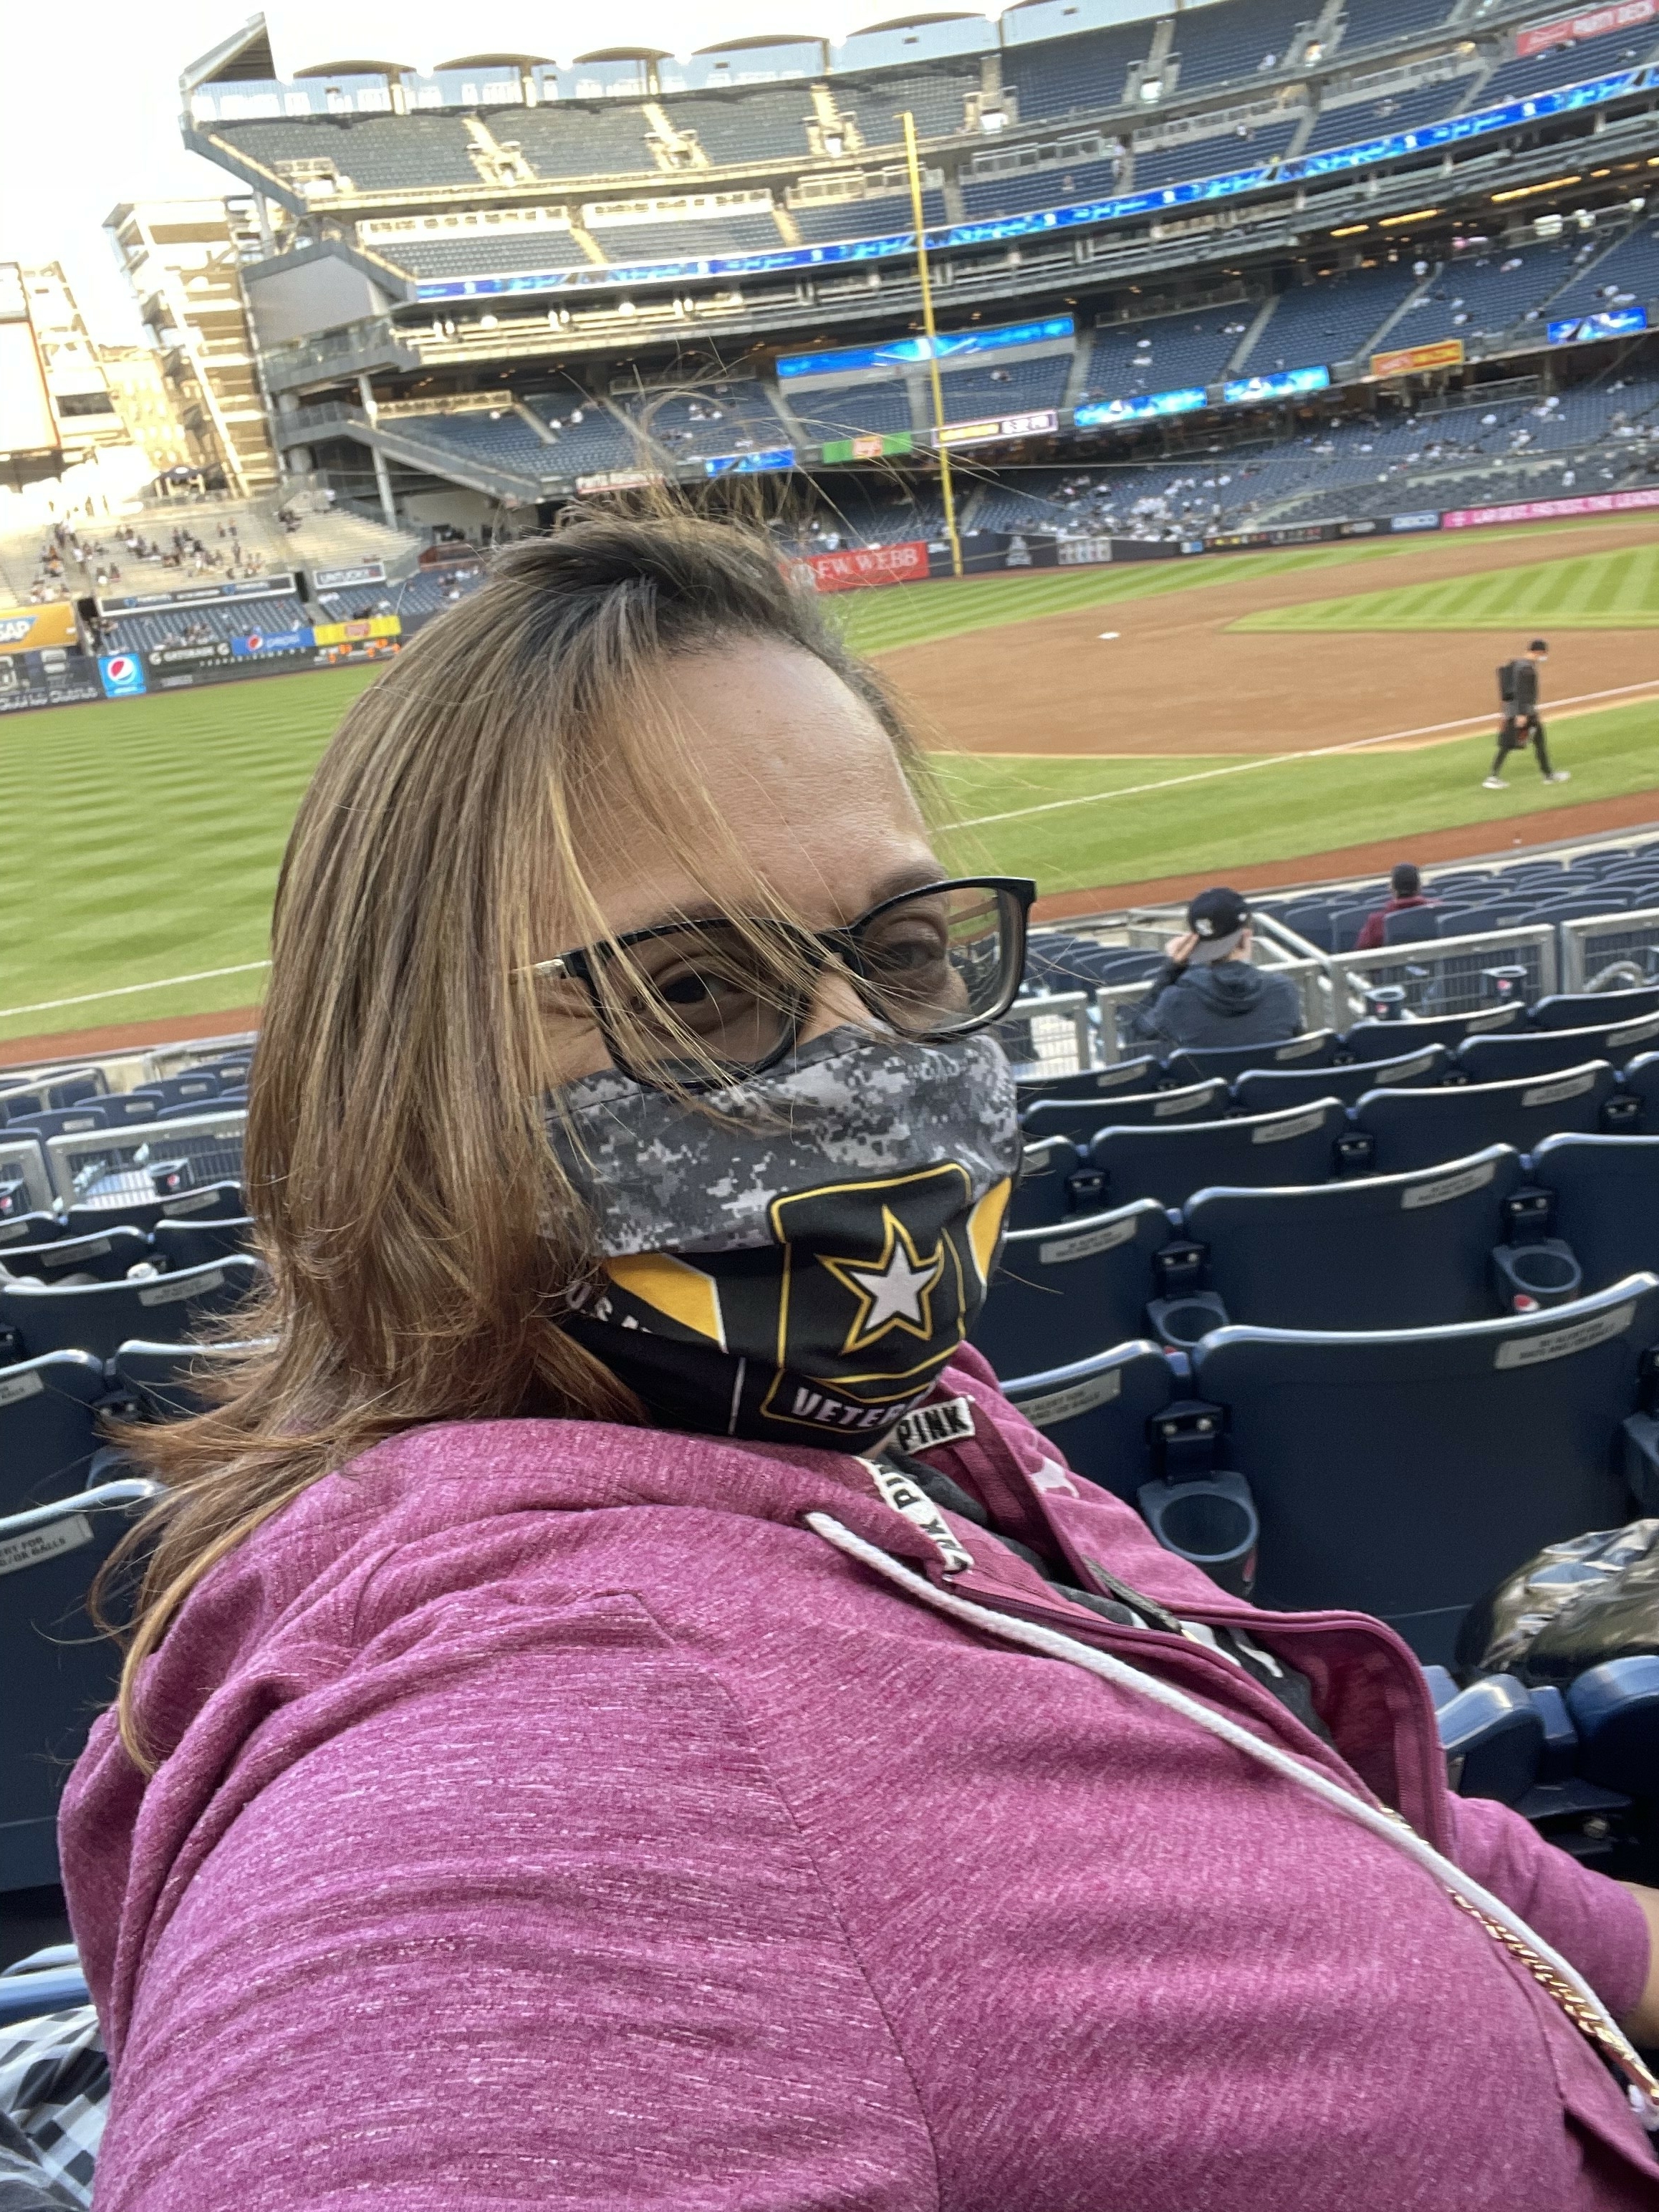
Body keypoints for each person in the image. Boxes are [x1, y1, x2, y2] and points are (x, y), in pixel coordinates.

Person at [60, 513, 1659, 2211]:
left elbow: (1353, 1820)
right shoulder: (527, 1762)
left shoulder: (897, 1426)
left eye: (902, 952)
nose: (867, 1060)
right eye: (691, 989)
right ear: (403, 1086)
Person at [1123, 882, 1304, 1052]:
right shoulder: (1283, 989)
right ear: (1245, 936)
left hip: (1209, 1077)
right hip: (1271, 1076)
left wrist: (1172, 969)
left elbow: (1134, 1034)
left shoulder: (1176, 1000)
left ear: (1195, 942)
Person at [1488, 638, 1571, 789]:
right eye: (1544, 654)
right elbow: (1523, 693)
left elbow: (1504, 689)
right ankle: (1492, 777)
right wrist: (1522, 714)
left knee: (1538, 741)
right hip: (1522, 713)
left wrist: (1504, 713)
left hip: (1514, 711)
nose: (1544, 657)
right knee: (1507, 745)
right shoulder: (1527, 670)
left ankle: (1548, 775)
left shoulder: (1513, 665)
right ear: (1539, 652)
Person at [1355, 860, 1438, 951]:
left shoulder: (1377, 921)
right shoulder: (1439, 909)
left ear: (1392, 888)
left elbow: (1362, 952)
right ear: (1419, 886)